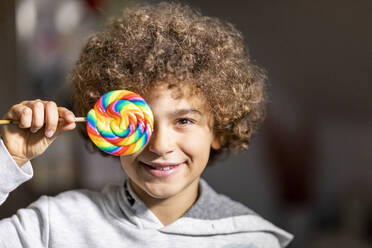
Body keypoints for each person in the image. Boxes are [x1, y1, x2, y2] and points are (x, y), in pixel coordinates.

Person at [0, 2, 293, 247]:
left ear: (218, 130)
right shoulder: (56, 224)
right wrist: (9, 157)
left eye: (184, 120)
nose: (160, 145)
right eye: (143, 121)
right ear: (108, 128)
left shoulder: (251, 239)